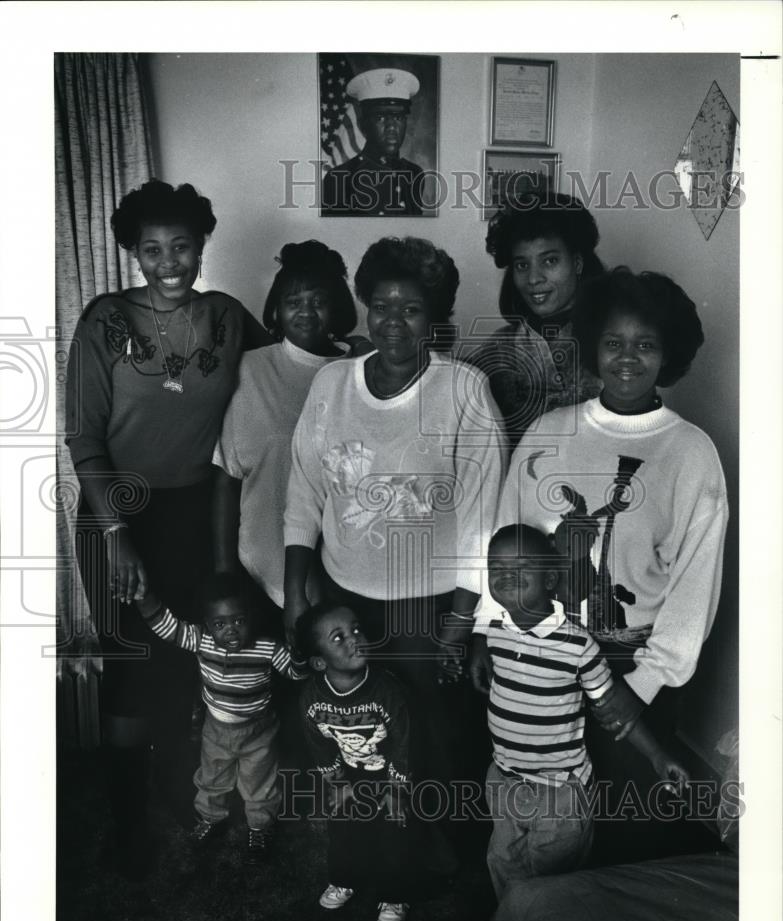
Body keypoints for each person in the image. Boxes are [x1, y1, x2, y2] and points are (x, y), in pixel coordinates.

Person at [475, 268, 728, 858]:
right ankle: (534, 912)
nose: (627, 358)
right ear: (593, 348)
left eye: (646, 344)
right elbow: (505, 538)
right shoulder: (549, 430)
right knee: (541, 808)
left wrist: (635, 690)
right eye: (614, 342)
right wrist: (491, 634)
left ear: (670, 354)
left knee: (623, 821)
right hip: (541, 654)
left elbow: (694, 593)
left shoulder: (690, 453)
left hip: (634, 666)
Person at [65, 179, 273, 877]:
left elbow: (286, 371)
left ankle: (188, 796)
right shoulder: (104, 321)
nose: (168, 262)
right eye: (151, 249)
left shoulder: (227, 316)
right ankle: (126, 823)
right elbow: (84, 438)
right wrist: (119, 535)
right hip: (116, 515)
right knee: (131, 668)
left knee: (190, 661)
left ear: (201, 244)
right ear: (133, 252)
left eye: (181, 245)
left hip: (195, 515)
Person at [284, 236, 506, 869]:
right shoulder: (332, 383)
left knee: (434, 733)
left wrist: (461, 624)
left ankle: (447, 859)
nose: (393, 321)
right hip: (343, 597)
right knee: (357, 735)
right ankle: (372, 850)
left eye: (411, 308)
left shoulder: (464, 389)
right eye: (381, 305)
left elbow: (481, 517)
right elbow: (304, 487)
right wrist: (298, 594)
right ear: (364, 307)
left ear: (433, 317)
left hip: (428, 604)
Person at [478, 524, 689, 899]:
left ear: (550, 580)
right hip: (506, 779)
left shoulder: (577, 647)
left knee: (555, 881)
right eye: (496, 567)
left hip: (560, 793)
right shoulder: (495, 633)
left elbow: (613, 709)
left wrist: (656, 756)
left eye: (521, 565)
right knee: (504, 863)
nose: (506, 575)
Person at [213, 241, 365, 634]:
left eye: (318, 301)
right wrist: (225, 568)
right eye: (293, 301)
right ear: (276, 310)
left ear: (337, 309)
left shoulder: (361, 369)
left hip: (346, 568)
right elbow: (227, 479)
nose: (306, 311)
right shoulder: (250, 369)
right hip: (260, 564)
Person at [134, 573, 306, 863]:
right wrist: (143, 596)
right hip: (216, 729)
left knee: (260, 782)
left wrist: (300, 651)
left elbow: (296, 672)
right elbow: (167, 627)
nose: (231, 631)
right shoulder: (202, 641)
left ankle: (260, 827)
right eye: (220, 624)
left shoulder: (268, 648)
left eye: (239, 621)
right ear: (208, 624)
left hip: (258, 732)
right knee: (212, 777)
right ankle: (211, 818)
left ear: (252, 616)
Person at [296, 602, 412, 921]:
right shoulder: (311, 699)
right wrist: (338, 784)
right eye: (338, 637)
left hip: (390, 775)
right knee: (343, 828)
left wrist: (397, 791)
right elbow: (317, 744)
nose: (354, 639)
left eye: (356, 629)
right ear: (319, 662)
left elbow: (406, 743)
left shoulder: (387, 691)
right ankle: (344, 879)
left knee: (394, 833)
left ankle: (394, 894)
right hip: (351, 774)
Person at [465, 192, 604, 448]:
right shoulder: (496, 350)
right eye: (522, 265)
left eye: (550, 261)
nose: (533, 279)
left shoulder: (611, 341)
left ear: (577, 262)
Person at [321, 68, 426, 216]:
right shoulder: (339, 178)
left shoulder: (414, 174)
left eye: (398, 117)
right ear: (364, 125)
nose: (391, 127)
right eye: (380, 118)